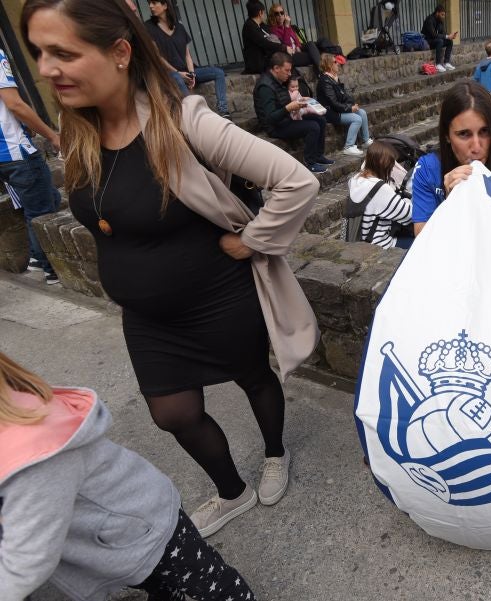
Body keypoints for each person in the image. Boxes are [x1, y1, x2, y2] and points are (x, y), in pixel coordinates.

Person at [23, 0, 320, 537]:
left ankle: (275, 454)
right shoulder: (79, 135)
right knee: (173, 414)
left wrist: (251, 241)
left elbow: (297, 182)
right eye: (39, 53)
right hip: (148, 319)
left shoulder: (183, 120)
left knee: (255, 378)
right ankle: (232, 491)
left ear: (118, 53)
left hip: (218, 300)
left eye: (63, 52)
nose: (45, 69)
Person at [0, 352, 258, 600]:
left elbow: (27, 563)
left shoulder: (32, 451)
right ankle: (168, 593)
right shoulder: (21, 418)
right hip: (116, 538)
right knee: (153, 579)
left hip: (147, 529)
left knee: (214, 585)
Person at [412, 80, 491, 235]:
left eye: (485, 131)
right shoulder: (427, 169)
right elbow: (421, 237)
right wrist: (452, 204)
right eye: (464, 134)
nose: (477, 147)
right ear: (446, 135)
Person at [0, 45, 61, 285]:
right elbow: (15, 104)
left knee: (43, 202)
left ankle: (37, 258)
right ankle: (51, 269)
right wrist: (51, 135)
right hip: (17, 152)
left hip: (5, 158)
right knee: (41, 212)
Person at [144, 0, 230, 118]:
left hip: (186, 71)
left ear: (165, 5)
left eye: (154, 3)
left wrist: (192, 74)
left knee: (219, 73)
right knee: (177, 78)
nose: (150, 6)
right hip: (168, 73)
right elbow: (157, 57)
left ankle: (223, 110)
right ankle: (195, 115)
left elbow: (187, 55)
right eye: (149, 3)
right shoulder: (148, 27)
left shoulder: (179, 27)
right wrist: (179, 73)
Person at [255, 52, 331, 172]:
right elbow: (270, 118)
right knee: (313, 127)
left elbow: (286, 99)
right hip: (276, 126)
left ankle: (318, 155)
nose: (290, 74)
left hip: (287, 117)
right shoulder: (265, 87)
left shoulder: (278, 80)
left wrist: (300, 101)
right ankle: (309, 162)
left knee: (320, 120)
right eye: (287, 70)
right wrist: (289, 108)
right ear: (276, 68)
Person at [348, 141, 414, 249]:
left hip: (360, 239)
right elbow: (409, 215)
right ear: (386, 165)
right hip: (380, 244)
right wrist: (407, 200)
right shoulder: (380, 188)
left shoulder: (355, 180)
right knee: (423, 243)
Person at [316, 52, 372, 157]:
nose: (338, 64)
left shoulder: (333, 79)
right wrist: (350, 108)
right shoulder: (325, 81)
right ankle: (349, 146)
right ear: (329, 65)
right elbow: (333, 103)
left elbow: (343, 96)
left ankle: (365, 141)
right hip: (330, 112)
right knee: (357, 119)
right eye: (335, 62)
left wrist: (352, 103)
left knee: (362, 113)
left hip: (338, 109)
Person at [268, 3, 321, 76]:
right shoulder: (274, 30)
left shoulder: (288, 26)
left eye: (282, 13)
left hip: (296, 50)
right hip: (289, 56)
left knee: (310, 44)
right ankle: (321, 71)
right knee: (314, 55)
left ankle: (319, 69)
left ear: (285, 14)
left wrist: (298, 46)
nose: (280, 15)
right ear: (273, 16)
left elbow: (295, 39)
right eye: (277, 14)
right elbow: (287, 44)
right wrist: (286, 26)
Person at [241, 0, 285, 74]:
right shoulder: (249, 26)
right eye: (264, 13)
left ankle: (294, 82)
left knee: (285, 61)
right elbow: (264, 43)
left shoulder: (260, 25)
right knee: (283, 63)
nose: (265, 15)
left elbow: (273, 36)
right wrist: (283, 47)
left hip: (265, 59)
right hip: (257, 63)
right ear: (260, 13)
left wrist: (282, 45)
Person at [422, 5, 457, 73]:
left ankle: (446, 63)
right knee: (440, 41)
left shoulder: (440, 21)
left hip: (435, 40)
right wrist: (446, 36)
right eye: (442, 15)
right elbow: (433, 35)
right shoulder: (429, 20)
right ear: (437, 13)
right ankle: (438, 64)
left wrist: (450, 37)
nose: (443, 17)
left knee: (449, 42)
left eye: (444, 15)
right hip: (427, 41)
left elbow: (443, 33)